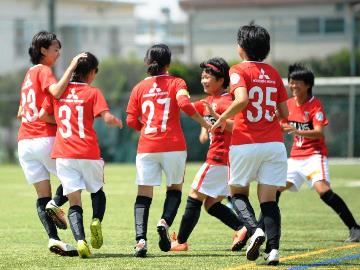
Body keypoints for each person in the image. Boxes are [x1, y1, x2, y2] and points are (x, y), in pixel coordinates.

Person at [212, 24, 288, 265]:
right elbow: (284, 112)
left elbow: (242, 99)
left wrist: (223, 118)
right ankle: (273, 251)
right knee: (269, 199)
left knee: (237, 193)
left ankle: (255, 231)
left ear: (242, 47)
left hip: (246, 142)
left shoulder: (238, 70)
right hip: (274, 144)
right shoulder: (274, 73)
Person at [126, 44, 211, 257]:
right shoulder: (176, 82)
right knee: (174, 190)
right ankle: (164, 222)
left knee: (143, 195)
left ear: (147, 62)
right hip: (173, 145)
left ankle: (140, 241)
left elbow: (129, 120)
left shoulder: (138, 88)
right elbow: (183, 102)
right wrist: (205, 123)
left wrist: (144, 129)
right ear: (169, 64)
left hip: (147, 146)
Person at [40, 52, 123, 258]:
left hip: (64, 154)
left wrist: (60, 120)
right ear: (92, 72)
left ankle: (80, 241)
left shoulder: (58, 92)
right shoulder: (93, 92)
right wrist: (112, 119)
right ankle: (96, 219)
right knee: (97, 191)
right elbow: (106, 115)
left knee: (74, 201)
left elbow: (43, 116)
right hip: (88, 151)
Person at [17, 30, 86, 256]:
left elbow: (21, 112)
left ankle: (54, 239)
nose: (58, 53)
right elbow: (56, 91)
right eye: (55, 49)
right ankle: (56, 205)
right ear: (42, 50)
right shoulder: (44, 70)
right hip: (44, 138)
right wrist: (73, 65)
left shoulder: (28, 75)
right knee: (78, 176)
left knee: (42, 195)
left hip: (25, 143)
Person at [170, 57, 247, 252]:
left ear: (221, 80)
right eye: (202, 77)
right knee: (211, 204)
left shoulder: (228, 101)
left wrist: (216, 117)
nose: (203, 80)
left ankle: (180, 241)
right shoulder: (210, 100)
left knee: (194, 195)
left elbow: (238, 128)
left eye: (208, 77)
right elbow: (188, 108)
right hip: (225, 161)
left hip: (219, 158)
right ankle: (242, 227)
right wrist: (205, 127)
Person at [279, 63, 360, 242]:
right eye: (291, 82)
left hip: (314, 156)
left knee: (323, 190)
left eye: (297, 82)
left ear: (308, 85)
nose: (292, 85)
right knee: (274, 189)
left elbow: (319, 132)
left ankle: (355, 228)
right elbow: (279, 123)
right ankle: (262, 231)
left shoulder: (315, 105)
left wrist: (297, 130)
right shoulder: (288, 104)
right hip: (295, 158)